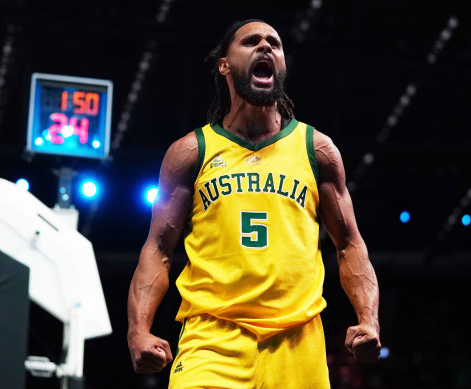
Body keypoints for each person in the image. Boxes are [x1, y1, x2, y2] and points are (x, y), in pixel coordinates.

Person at [127, 19, 381, 388]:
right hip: (212, 336)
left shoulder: (317, 150)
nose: (266, 47)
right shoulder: (190, 152)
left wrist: (368, 319)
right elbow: (159, 248)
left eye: (274, 44)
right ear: (224, 64)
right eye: (251, 41)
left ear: (282, 65)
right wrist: (138, 330)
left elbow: (349, 244)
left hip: (297, 339)